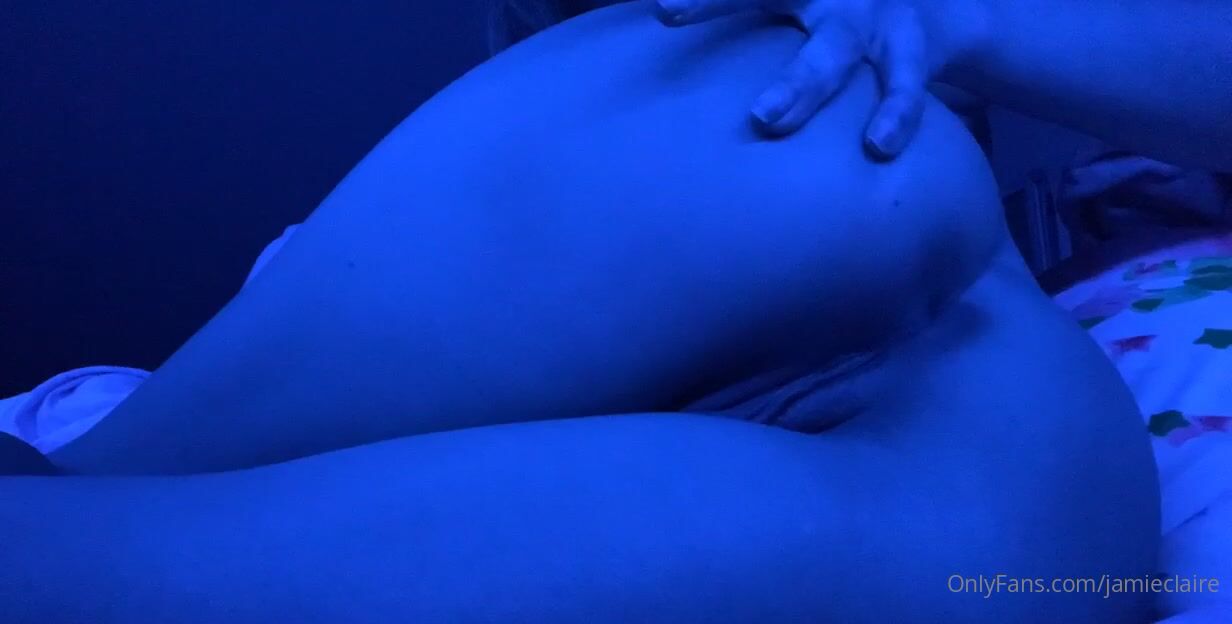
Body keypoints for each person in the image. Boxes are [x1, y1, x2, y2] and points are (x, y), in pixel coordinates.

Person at [6, 0, 1222, 620]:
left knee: (1031, 561)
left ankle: (76, 480)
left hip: (928, 315)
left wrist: (951, 12)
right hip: (800, 215)